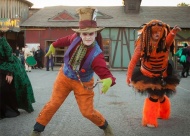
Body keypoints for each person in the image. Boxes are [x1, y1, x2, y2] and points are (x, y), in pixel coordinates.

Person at [31, 7, 116, 136]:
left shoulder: (96, 54)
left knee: (87, 112)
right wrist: (54, 45)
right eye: (84, 34)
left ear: (96, 34)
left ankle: (105, 126)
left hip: (83, 83)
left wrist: (108, 79)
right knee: (53, 104)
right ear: (80, 34)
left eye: (91, 34)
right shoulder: (74, 38)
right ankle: (37, 130)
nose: (87, 37)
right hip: (64, 77)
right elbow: (63, 40)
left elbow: (103, 70)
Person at [126, 20, 181, 128]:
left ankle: (163, 113)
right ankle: (150, 120)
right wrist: (128, 76)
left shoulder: (164, 43)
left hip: (163, 74)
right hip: (148, 76)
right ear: (148, 33)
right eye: (154, 32)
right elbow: (133, 61)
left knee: (160, 96)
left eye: (159, 32)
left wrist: (173, 32)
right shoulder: (142, 45)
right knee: (154, 95)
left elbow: (169, 40)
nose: (157, 34)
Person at [0, 31, 35, 119]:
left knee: (5, 88)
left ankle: (7, 109)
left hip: (7, 66)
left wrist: (9, 73)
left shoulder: (2, 41)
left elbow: (9, 57)